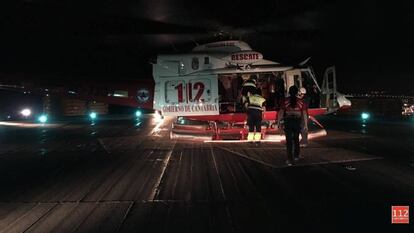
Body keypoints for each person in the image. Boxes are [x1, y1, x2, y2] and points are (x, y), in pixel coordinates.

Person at [277, 86, 307, 166]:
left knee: (289, 141)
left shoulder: (285, 101)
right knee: (296, 139)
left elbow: (281, 112)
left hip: (288, 121)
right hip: (297, 121)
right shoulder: (301, 102)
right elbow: (304, 114)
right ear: (297, 92)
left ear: (289, 92)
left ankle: (289, 159)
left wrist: (278, 122)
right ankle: (296, 156)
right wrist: (306, 125)